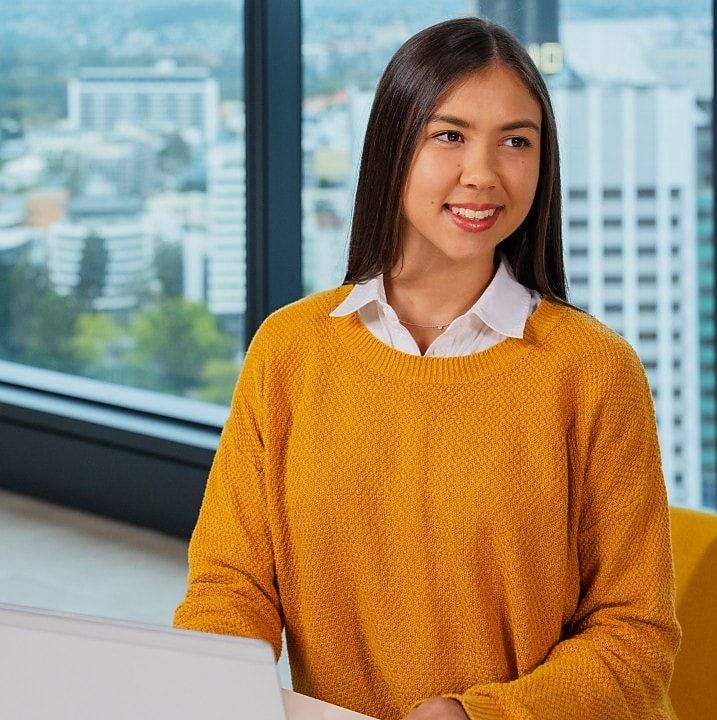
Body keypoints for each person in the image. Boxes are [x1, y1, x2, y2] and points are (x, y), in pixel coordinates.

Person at [173, 16, 680, 720]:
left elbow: (634, 639)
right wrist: (208, 690)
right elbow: (231, 588)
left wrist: (476, 716)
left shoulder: (592, 370)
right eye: (450, 135)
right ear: (391, 146)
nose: (483, 173)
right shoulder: (289, 350)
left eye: (516, 142)